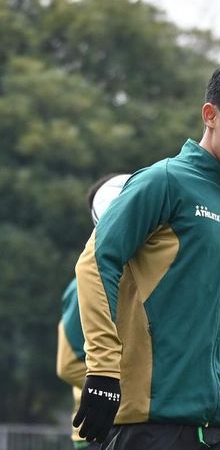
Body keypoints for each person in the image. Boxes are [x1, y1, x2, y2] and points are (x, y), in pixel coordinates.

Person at [73, 62, 220, 450]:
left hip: (218, 422)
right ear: (210, 115)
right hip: (154, 423)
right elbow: (93, 263)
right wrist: (103, 371)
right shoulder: (163, 180)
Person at [56, 173, 126, 450]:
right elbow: (67, 362)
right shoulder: (83, 285)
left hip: (139, 423)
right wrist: (116, 386)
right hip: (98, 431)